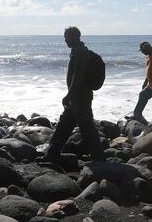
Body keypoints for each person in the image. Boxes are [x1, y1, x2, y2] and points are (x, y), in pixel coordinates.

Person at [43, 26, 105, 163]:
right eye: (65, 37)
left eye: (67, 37)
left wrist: (69, 95)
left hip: (80, 97)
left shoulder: (80, 52)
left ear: (76, 37)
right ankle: (52, 154)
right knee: (64, 125)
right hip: (77, 97)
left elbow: (78, 75)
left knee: (87, 127)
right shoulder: (78, 51)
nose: (65, 40)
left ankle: (99, 158)